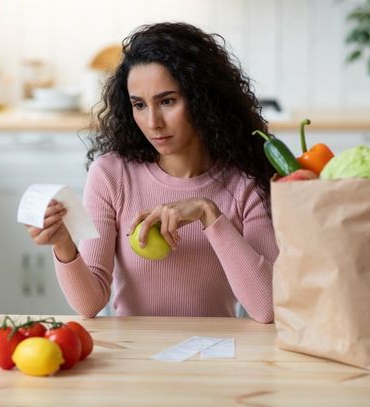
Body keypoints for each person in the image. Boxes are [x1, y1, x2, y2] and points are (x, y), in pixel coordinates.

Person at [26, 22, 278, 322]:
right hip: (133, 356)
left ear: (203, 99)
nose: (153, 122)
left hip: (216, 356)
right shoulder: (111, 174)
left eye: (167, 101)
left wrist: (208, 213)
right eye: (139, 105)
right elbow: (89, 303)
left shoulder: (244, 182)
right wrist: (63, 244)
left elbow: (268, 309)